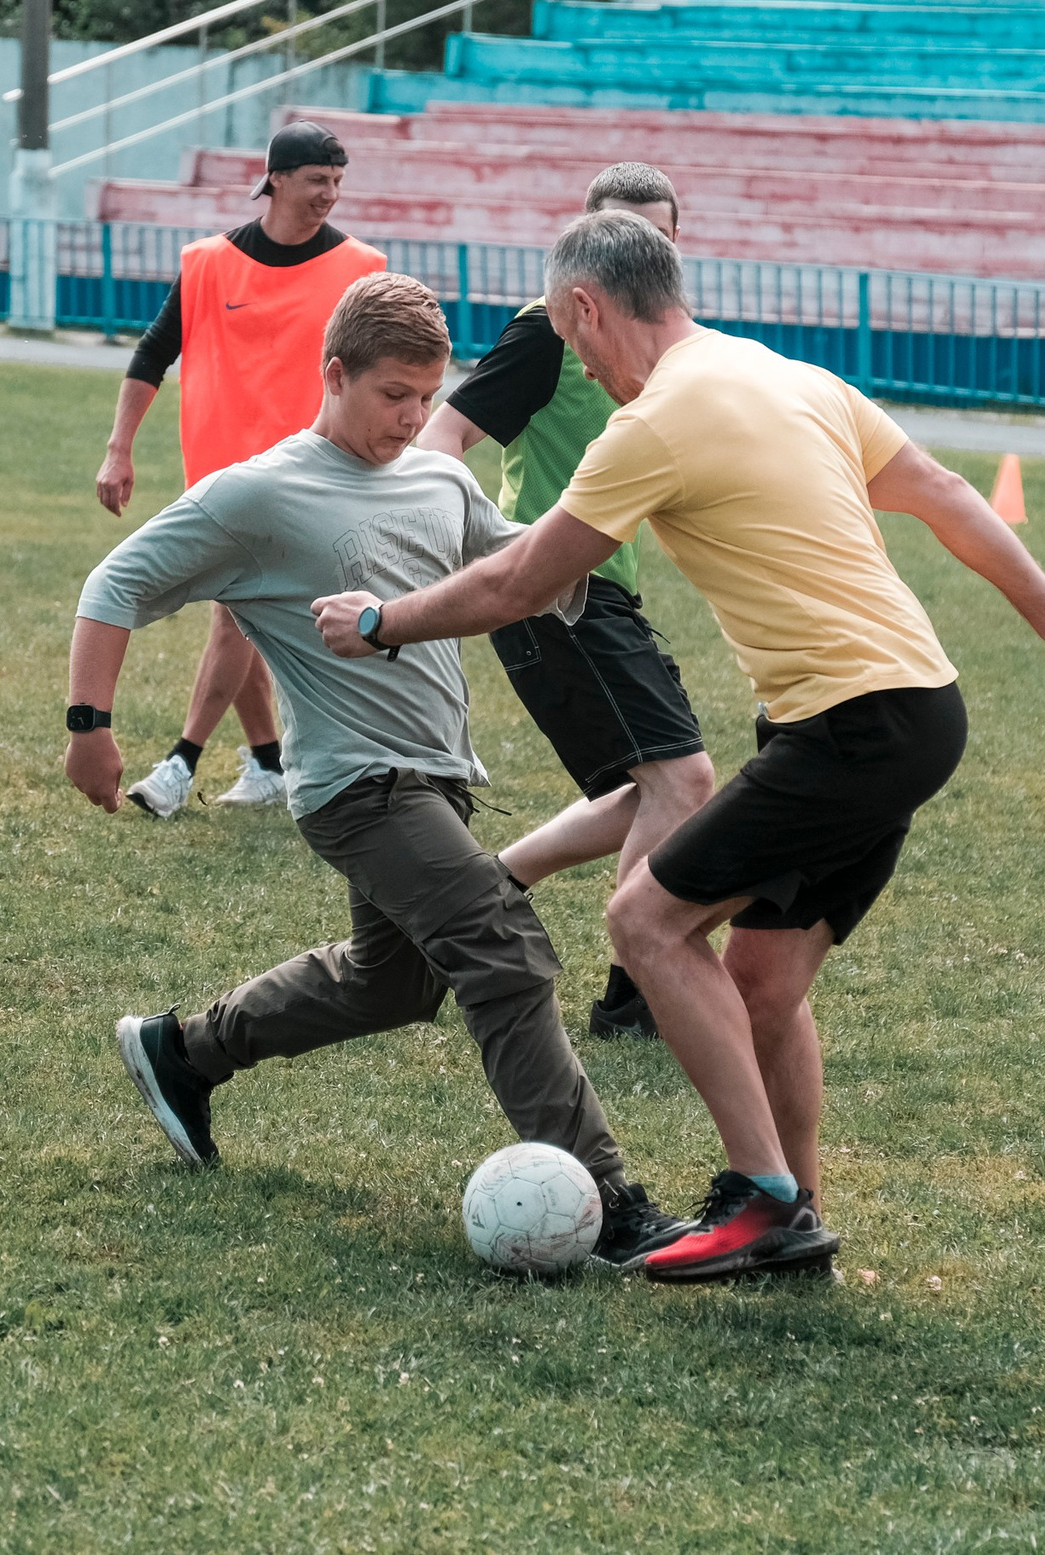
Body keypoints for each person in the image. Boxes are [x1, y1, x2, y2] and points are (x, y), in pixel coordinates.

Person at [313, 214, 1045, 1281]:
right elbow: (941, 493)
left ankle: (762, 1198)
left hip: (853, 720)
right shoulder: (785, 374)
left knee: (644, 921)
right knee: (759, 974)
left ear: (586, 309)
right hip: (914, 705)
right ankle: (797, 1219)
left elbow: (521, 585)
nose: (582, 367)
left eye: (575, 347)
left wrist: (382, 622)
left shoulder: (654, 423)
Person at [69, 272, 690, 1269]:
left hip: (439, 776)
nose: (410, 417)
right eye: (390, 394)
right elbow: (117, 581)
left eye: (425, 396)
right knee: (500, 948)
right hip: (355, 789)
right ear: (335, 374)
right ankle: (610, 1204)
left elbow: (521, 574)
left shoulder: (440, 477)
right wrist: (88, 727)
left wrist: (631, 517)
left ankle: (181, 1053)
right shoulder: (262, 492)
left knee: (390, 984)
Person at [416, 161, 717, 1041]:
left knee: (658, 790)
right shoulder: (545, 331)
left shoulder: (660, 340)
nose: (635, 250)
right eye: (620, 231)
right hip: (558, 597)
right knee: (683, 780)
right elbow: (444, 435)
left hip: (606, 593)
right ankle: (634, 997)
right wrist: (468, 545)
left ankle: (483, 888)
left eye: (655, 236)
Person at [96, 119, 388, 817]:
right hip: (219, 473)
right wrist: (119, 446)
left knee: (233, 614)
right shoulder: (207, 263)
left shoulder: (360, 271)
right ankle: (267, 762)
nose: (330, 195)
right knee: (245, 615)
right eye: (318, 180)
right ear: (276, 180)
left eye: (338, 183)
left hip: (309, 475)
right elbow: (152, 353)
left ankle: (179, 763)